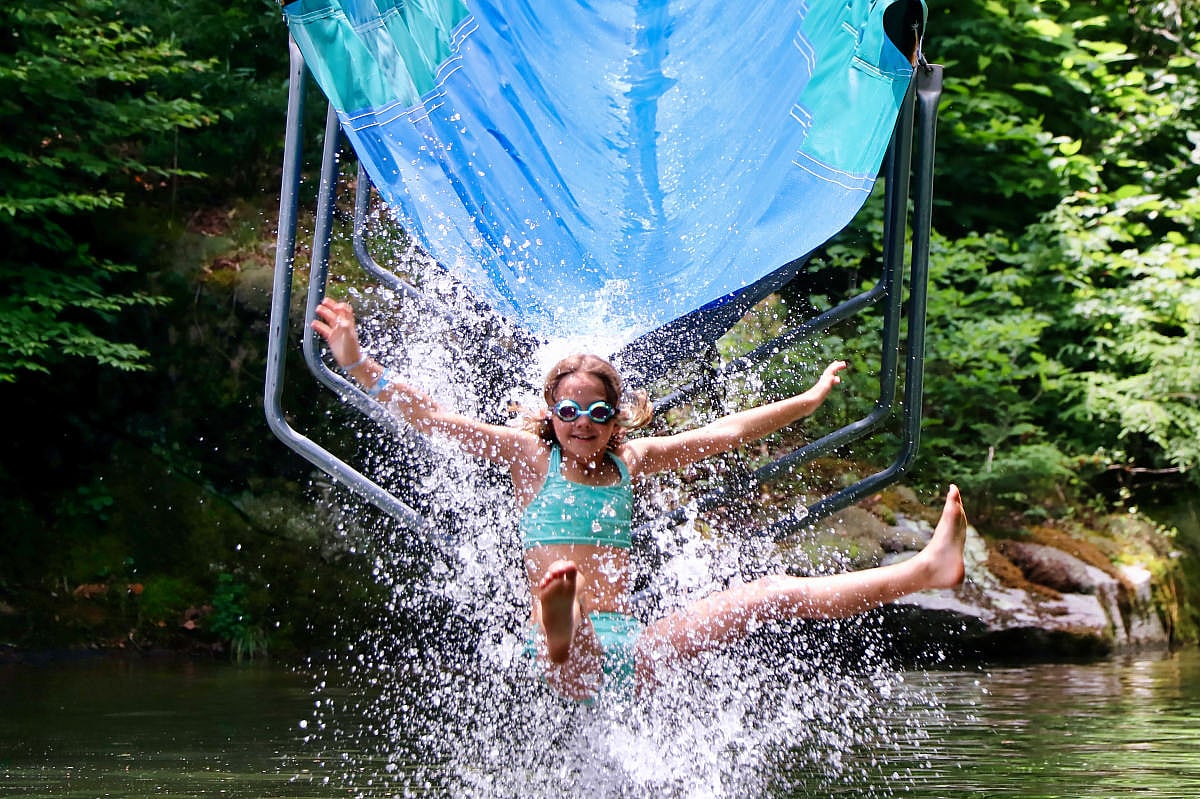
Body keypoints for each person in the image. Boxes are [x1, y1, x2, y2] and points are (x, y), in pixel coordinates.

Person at [313, 297, 969, 702]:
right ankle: (559, 613)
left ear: (615, 416)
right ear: (550, 412)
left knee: (770, 592)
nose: (582, 423)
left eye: (597, 411)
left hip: (631, 648)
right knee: (562, 624)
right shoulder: (525, 455)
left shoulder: (634, 459)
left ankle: (925, 569)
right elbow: (430, 416)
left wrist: (810, 400)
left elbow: (727, 431)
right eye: (568, 410)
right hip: (551, 654)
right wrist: (358, 362)